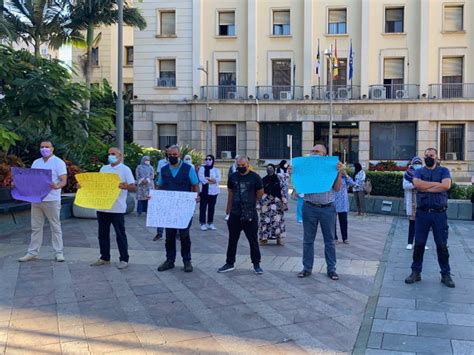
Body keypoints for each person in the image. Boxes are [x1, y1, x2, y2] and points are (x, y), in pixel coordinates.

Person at [405, 148, 455, 288]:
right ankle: (416, 272)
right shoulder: (419, 171)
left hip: (439, 214)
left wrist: (425, 188)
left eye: (431, 155)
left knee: (442, 245)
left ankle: (446, 274)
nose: (428, 158)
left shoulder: (444, 171)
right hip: (422, 213)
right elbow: (417, 185)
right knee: (419, 244)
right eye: (426, 156)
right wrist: (436, 186)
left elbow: (446, 185)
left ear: (436, 157)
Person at [296, 144, 344, 280]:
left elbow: (337, 188)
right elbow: (298, 183)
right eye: (312, 151)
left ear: (324, 155)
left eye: (317, 151)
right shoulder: (307, 167)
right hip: (309, 206)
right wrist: (293, 172)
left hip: (327, 208)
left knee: (329, 240)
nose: (314, 153)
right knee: (308, 240)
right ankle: (307, 268)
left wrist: (339, 173)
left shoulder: (331, 167)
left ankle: (331, 269)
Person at [18, 140, 67, 262]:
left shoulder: (58, 163)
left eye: (47, 147)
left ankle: (58, 252)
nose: (44, 149)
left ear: (52, 149)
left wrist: (57, 186)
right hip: (36, 199)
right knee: (36, 227)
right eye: (42, 147)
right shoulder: (36, 162)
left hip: (52, 199)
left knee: (55, 226)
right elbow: (32, 179)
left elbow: (63, 181)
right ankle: (32, 252)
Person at [90, 147, 136, 270]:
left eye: (113, 154)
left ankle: (124, 259)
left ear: (120, 156)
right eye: (109, 154)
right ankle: (104, 257)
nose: (111, 156)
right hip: (103, 206)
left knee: (120, 234)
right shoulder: (104, 169)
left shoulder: (125, 170)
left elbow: (133, 187)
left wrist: (123, 186)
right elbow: (97, 185)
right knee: (102, 234)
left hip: (117, 208)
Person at [156, 145, 200, 273]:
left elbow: (195, 184)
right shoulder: (163, 170)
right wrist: (155, 199)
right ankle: (170, 260)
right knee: (169, 236)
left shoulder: (188, 169)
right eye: (170, 155)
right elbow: (160, 186)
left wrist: (197, 196)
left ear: (179, 155)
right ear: (167, 155)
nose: (172, 157)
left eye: (175, 155)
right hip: (169, 208)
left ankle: (187, 261)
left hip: (184, 208)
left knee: (184, 235)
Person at [218, 156, 264, 275]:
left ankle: (256, 264)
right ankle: (229, 263)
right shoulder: (233, 177)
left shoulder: (255, 177)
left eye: (243, 165)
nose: (241, 168)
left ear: (248, 165)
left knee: (253, 240)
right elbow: (230, 193)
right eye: (239, 166)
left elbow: (260, 193)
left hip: (250, 213)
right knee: (232, 239)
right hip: (235, 213)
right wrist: (228, 210)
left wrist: (252, 203)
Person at [257, 164, 287, 245]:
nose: (269, 170)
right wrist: (259, 203)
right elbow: (259, 192)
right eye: (268, 168)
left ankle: (279, 238)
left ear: (274, 169)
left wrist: (284, 202)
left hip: (277, 204)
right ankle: (264, 238)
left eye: (271, 168)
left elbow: (284, 190)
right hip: (266, 204)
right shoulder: (263, 180)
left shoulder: (279, 179)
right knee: (265, 222)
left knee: (278, 221)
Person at [403, 157, 428, 250]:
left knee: (422, 224)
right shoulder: (407, 174)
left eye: (419, 163)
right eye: (416, 163)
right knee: (412, 223)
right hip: (412, 201)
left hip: (422, 201)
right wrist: (416, 185)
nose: (418, 165)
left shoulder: (424, 173)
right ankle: (410, 242)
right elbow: (405, 185)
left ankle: (422, 243)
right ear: (412, 164)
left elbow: (426, 185)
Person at [198, 154, 221, 231]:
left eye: (210, 159)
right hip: (204, 192)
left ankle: (210, 223)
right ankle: (202, 223)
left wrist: (210, 179)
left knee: (211, 208)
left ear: (213, 160)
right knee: (203, 207)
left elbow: (218, 179)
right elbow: (201, 178)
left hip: (214, 192)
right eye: (206, 159)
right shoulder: (202, 168)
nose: (208, 161)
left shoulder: (216, 170)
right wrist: (211, 180)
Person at [154, 145, 170, 241]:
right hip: (163, 189)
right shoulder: (161, 162)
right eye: (167, 152)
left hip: (173, 190)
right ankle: (159, 233)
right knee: (161, 212)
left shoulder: (179, 163)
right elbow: (159, 175)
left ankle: (176, 233)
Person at [334, 169, 354, 244]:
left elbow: (353, 183)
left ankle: (345, 238)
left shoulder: (345, 178)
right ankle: (334, 238)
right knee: (333, 222)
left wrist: (346, 175)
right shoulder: (333, 177)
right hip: (334, 202)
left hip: (343, 203)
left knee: (344, 221)